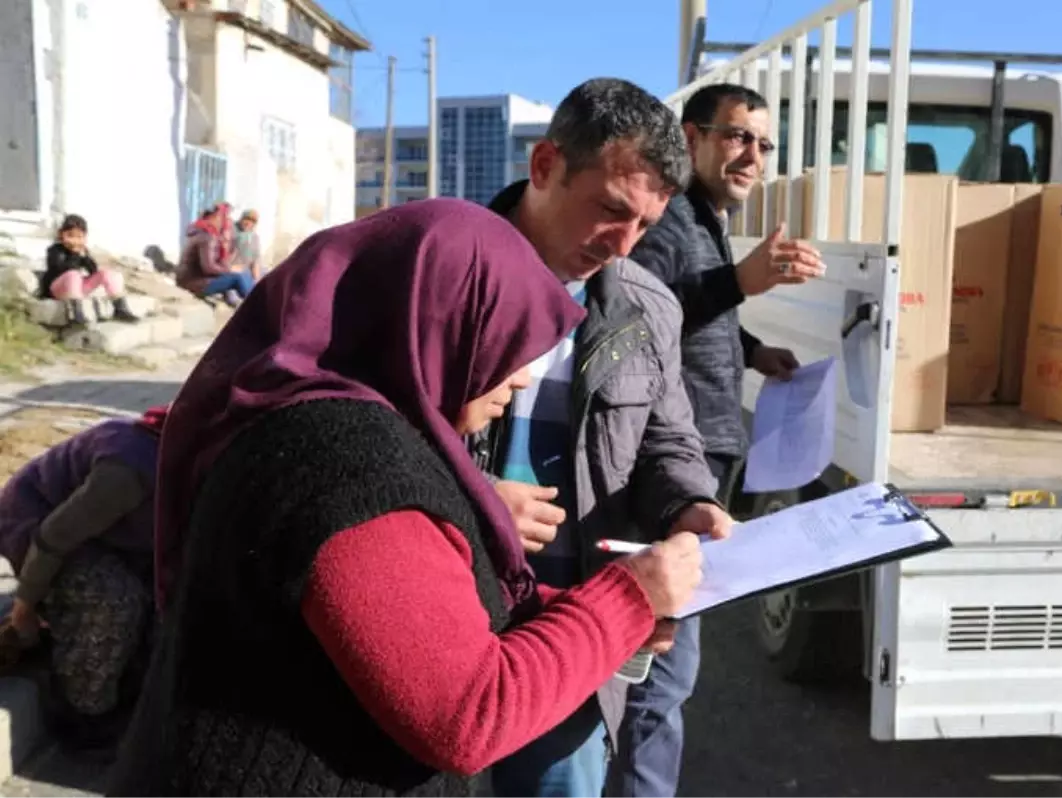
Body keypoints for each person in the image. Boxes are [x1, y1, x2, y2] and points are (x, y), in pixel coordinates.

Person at [106, 198, 704, 797]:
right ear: (436, 322)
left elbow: (417, 611)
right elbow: (467, 714)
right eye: (506, 342)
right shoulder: (346, 466)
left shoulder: (351, 426)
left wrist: (568, 608)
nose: (521, 378)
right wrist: (626, 600)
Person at [478, 77, 734, 798]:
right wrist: (473, 500)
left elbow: (668, 442)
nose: (623, 245)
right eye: (610, 210)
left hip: (571, 639)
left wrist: (689, 505)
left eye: (646, 226)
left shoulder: (643, 306)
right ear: (544, 166)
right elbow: (362, 433)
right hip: (443, 627)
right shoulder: (444, 272)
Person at [614, 83, 825, 798]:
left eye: (764, 143)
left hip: (697, 464)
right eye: (737, 136)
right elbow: (643, 316)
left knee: (663, 670)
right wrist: (740, 283)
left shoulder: (701, 219)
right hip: (667, 472)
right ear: (693, 136)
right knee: (660, 675)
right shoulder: (667, 218)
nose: (752, 155)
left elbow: (699, 311)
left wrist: (754, 348)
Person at [0, 406, 167, 753]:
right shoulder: (131, 466)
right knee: (113, 597)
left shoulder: (198, 473)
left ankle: (104, 673)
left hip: (115, 539)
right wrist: (24, 609)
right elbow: (52, 539)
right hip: (40, 531)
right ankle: (81, 712)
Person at [40, 214, 138, 324]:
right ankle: (75, 313)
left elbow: (93, 270)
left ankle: (120, 307)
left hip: (76, 289)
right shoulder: (55, 250)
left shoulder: (82, 252)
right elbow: (60, 268)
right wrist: (75, 254)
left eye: (79, 237)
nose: (75, 241)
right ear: (61, 235)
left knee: (105, 273)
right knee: (73, 274)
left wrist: (85, 257)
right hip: (57, 289)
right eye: (70, 236)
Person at [176, 205, 254, 306]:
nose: (226, 224)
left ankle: (259, 305)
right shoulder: (207, 237)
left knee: (243, 272)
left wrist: (227, 251)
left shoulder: (205, 233)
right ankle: (259, 308)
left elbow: (217, 262)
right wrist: (229, 269)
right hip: (193, 283)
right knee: (237, 277)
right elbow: (208, 268)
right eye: (224, 219)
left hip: (192, 280)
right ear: (216, 218)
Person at [230, 209, 263, 281]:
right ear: (241, 219)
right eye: (247, 219)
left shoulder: (254, 238)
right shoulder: (230, 230)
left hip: (244, 272)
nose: (249, 223)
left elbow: (255, 261)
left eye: (253, 221)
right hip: (228, 270)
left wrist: (257, 281)